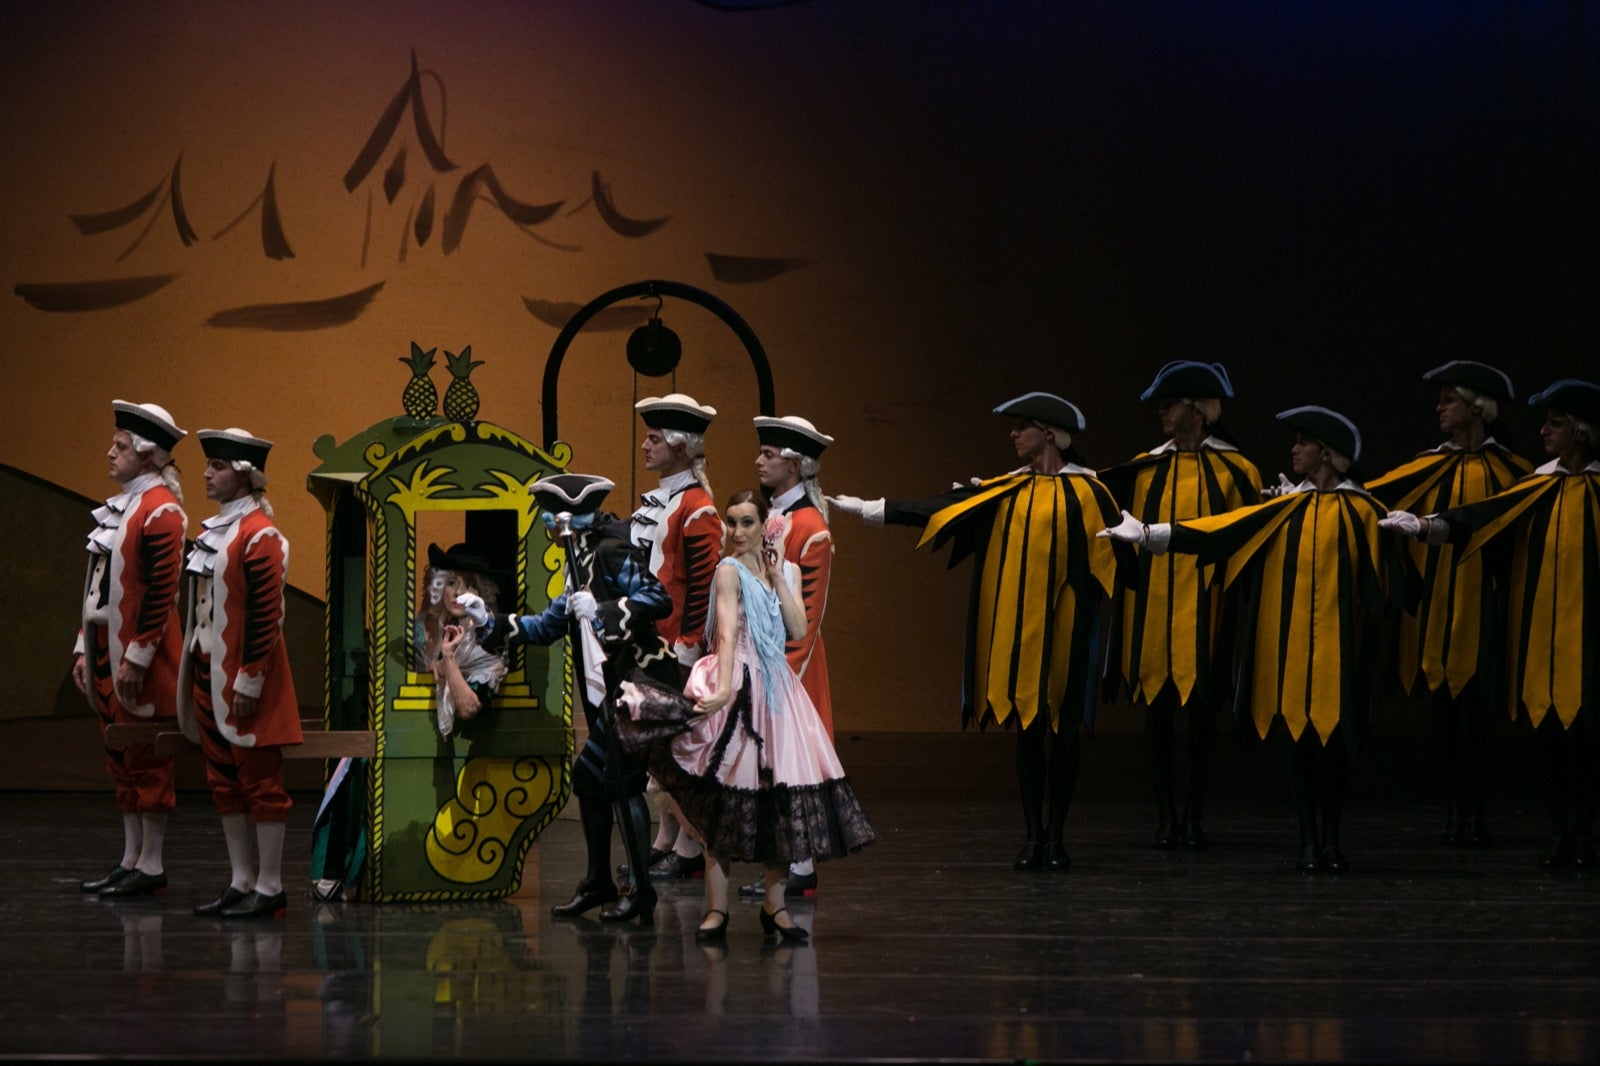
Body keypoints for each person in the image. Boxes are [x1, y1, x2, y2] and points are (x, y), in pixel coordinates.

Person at [1101, 406, 1412, 874]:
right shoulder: (1284, 509)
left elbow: (1390, 587)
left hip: (1338, 653)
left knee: (1335, 748)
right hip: (1291, 651)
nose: (1293, 449)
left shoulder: (1366, 512)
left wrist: (1418, 533)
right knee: (1302, 747)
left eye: (1303, 442)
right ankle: (1310, 841)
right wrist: (1149, 534)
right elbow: (1220, 532)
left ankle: (1331, 840)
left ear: (1326, 454)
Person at [832, 392, 1131, 872]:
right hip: (1016, 634)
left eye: (1022, 426)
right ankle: (1034, 835)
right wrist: (873, 509)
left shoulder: (1091, 494)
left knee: (1067, 731)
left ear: (1050, 435)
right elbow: (940, 507)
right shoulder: (1006, 489)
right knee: (1029, 734)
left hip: (1068, 634)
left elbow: (1118, 560)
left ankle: (1057, 837)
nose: (1013, 435)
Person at [615, 489, 876, 944]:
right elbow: (729, 630)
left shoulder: (786, 571)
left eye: (747, 523)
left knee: (778, 799)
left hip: (778, 695)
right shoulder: (727, 570)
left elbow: (797, 629)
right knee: (724, 797)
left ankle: (775, 908)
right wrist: (720, 689)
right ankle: (717, 908)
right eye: (732, 523)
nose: (736, 532)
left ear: (764, 525)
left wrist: (778, 577)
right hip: (738, 681)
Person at [1380, 378, 1600, 870]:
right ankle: (1556, 833)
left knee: (1583, 738)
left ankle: (1581, 834)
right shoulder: (1537, 483)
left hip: (1564, 631)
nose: (1544, 430)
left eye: (1556, 424)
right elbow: (1481, 517)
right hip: (1528, 630)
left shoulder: (1548, 479)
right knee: (1545, 735)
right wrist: (1427, 527)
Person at [461, 473, 679, 923]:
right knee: (590, 781)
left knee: (622, 781)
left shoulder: (610, 549)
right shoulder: (576, 557)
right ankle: (599, 881)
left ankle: (641, 891)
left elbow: (657, 599)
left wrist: (603, 611)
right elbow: (547, 626)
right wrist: (491, 622)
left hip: (640, 681)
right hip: (612, 688)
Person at [1366, 361, 1531, 847]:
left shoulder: (1513, 472)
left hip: (1487, 605)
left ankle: (1475, 813)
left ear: (1476, 407)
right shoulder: (1428, 464)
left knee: (1479, 719)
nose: (1439, 409)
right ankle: (1453, 812)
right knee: (1442, 716)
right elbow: (1373, 498)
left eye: (1449, 400)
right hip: (1437, 606)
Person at [1098, 361, 1261, 850]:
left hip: (1206, 606)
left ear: (1197, 411)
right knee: (1157, 713)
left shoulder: (1237, 470)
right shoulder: (1145, 467)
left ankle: (1193, 814)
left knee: (1200, 714)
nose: (1161, 412)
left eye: (1169, 404)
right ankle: (1166, 813)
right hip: (1152, 607)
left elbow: (1248, 537)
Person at [178, 428, 304, 918]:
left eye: (219, 466)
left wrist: (249, 679)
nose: (207, 473)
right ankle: (241, 879)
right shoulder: (218, 531)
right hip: (208, 670)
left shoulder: (260, 536)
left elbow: (266, 616)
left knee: (260, 781)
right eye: (209, 465)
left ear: (245, 476)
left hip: (245, 676)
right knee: (223, 780)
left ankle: (270, 885)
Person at [73, 401, 188, 898]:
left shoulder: (161, 510)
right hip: (105, 644)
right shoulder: (123, 507)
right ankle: (130, 858)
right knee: (119, 756)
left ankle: (152, 864)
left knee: (145, 756)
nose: (110, 453)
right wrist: (83, 645)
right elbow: (99, 583)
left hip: (143, 655)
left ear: (145, 455)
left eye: (119, 446)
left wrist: (137, 657)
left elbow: (163, 594)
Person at [630, 394, 722, 881]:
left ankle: (692, 849)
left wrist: (686, 647)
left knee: (676, 751)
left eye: (654, 439)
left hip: (677, 648)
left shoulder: (697, 507)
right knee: (658, 750)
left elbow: (704, 588)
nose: (645, 445)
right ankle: (670, 841)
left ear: (681, 449)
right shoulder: (665, 498)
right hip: (651, 640)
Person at [744, 414, 836, 898]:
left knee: (795, 764)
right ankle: (782, 865)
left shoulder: (811, 527)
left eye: (770, 455)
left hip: (791, 666)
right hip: (761, 657)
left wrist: (781, 676)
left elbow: (809, 613)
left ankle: (801, 866)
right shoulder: (773, 518)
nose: (759, 460)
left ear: (796, 465)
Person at [415, 542, 508, 739]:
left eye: (469, 584)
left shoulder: (489, 642)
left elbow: (469, 707)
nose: (458, 592)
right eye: (451, 583)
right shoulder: (436, 631)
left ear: (482, 592)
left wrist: (448, 659)